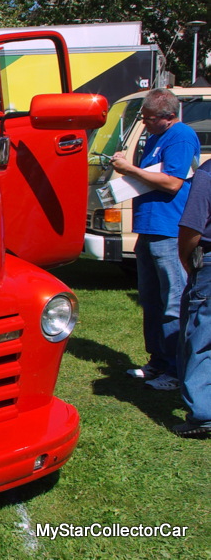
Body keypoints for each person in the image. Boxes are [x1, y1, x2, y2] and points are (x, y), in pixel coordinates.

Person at [112, 88, 200, 390]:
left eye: (149, 120)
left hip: (170, 230)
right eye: (144, 119)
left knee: (172, 301)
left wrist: (130, 169)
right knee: (150, 300)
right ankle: (157, 362)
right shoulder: (155, 137)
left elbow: (173, 182)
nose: (145, 125)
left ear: (168, 117)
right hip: (149, 228)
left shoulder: (182, 136)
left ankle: (176, 371)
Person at [174, 160, 211, 436]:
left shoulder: (208, 173)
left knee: (200, 337)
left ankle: (202, 414)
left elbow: (192, 226)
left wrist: (186, 259)